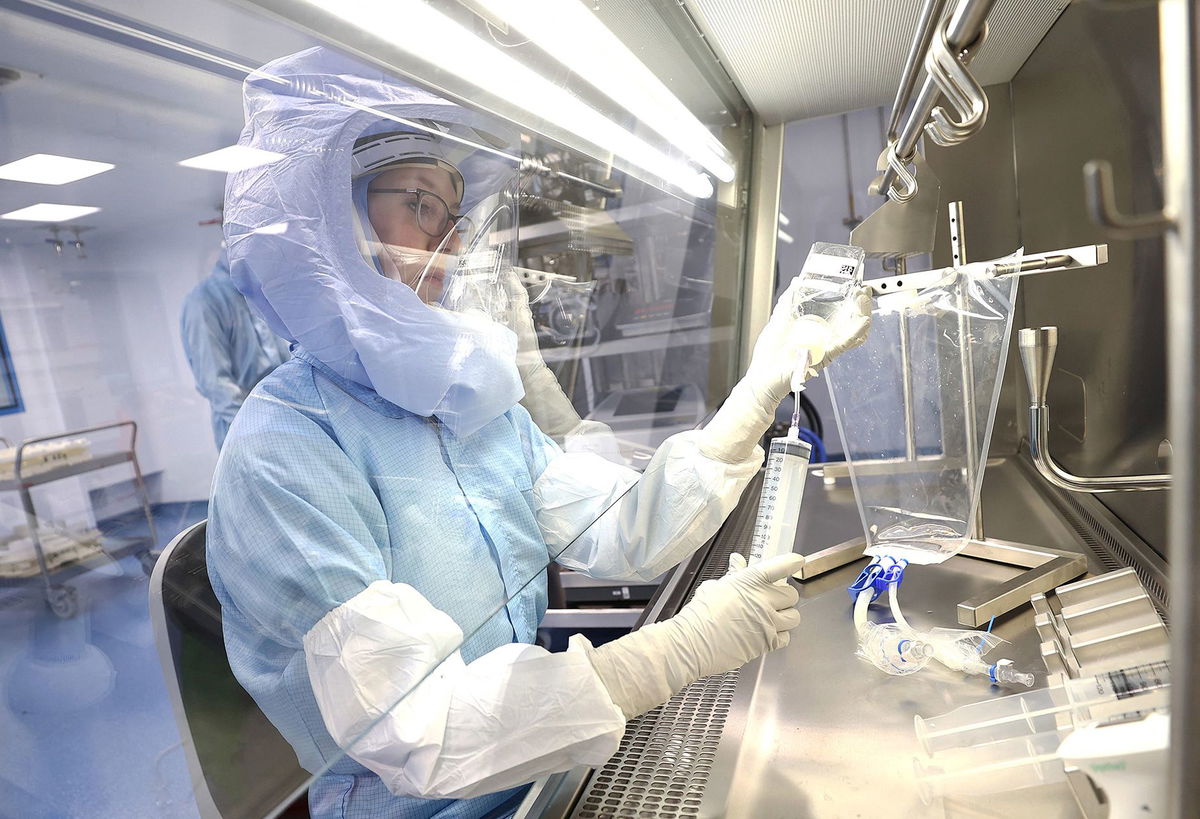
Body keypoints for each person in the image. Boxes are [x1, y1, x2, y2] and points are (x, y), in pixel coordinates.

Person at [207, 47, 871, 819]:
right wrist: (673, 652)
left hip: (537, 770)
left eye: (452, 213)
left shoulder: (460, 401)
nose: (450, 242)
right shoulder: (284, 452)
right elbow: (423, 732)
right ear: (330, 217)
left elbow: (621, 530)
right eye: (419, 203)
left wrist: (756, 391)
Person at [179, 250, 291, 449]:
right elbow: (215, 383)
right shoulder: (203, 302)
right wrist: (259, 431)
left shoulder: (261, 292)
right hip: (247, 433)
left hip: (289, 421)